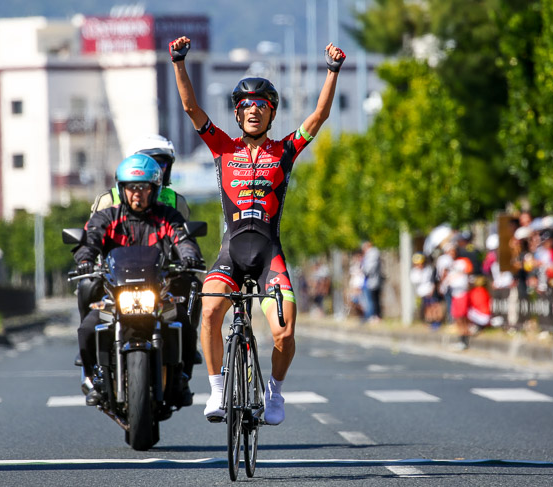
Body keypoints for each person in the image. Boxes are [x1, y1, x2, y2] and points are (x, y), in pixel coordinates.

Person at [169, 35, 345, 425]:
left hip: (269, 255)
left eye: (261, 105)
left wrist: (332, 71)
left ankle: (275, 394)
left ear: (271, 114)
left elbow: (319, 116)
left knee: (284, 333)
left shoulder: (285, 150)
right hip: (231, 253)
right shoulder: (221, 148)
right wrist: (179, 62)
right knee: (210, 310)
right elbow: (189, 107)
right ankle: (216, 390)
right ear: (237, 114)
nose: (252, 110)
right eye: (245, 105)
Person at [73, 154, 204, 406]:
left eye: (144, 188)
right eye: (132, 188)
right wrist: (85, 259)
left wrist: (189, 257)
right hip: (114, 294)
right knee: (88, 328)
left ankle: (182, 378)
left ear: (154, 189)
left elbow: (184, 240)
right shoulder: (107, 217)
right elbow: (90, 240)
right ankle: (93, 378)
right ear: (121, 189)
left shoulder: (168, 217)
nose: (137, 194)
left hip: (158, 292)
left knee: (184, 321)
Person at [90, 134, 191, 219]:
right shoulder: (108, 200)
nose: (156, 169)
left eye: (161, 163)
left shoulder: (176, 201)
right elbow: (93, 235)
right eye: (150, 163)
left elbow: (183, 237)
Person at [360, 240, 383, 324]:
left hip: (372, 281)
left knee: (372, 300)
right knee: (373, 300)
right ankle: (373, 316)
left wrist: (363, 269)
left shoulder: (372, 254)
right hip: (371, 281)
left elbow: (368, 269)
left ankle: (374, 316)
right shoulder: (371, 254)